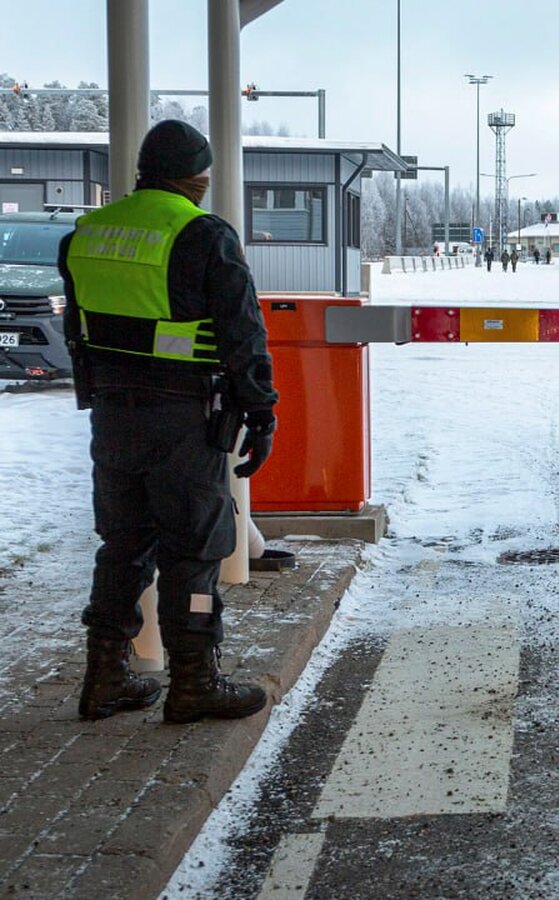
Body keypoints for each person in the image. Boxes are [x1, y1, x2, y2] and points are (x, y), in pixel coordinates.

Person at [60, 119, 278, 724]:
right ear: (197, 178)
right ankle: (194, 681)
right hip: (183, 419)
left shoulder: (86, 233)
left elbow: (78, 329)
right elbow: (241, 332)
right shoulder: (202, 234)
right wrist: (260, 410)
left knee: (123, 544)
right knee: (195, 549)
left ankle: (104, 676)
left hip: (112, 414)